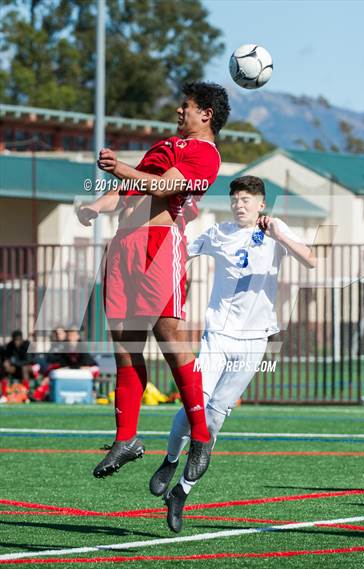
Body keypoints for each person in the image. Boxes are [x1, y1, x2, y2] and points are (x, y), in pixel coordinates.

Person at [77, 82, 230, 482]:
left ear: (206, 115)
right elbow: (131, 187)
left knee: (170, 339)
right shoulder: (165, 146)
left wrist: (120, 167)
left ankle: (200, 436)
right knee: (126, 348)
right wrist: (96, 205)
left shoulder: (204, 154)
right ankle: (125, 439)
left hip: (158, 246)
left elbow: (163, 186)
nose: (179, 112)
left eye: (186, 107)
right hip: (124, 246)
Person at [148, 175, 316, 532]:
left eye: (247, 199)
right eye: (236, 199)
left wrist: (280, 236)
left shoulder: (276, 229)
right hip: (218, 336)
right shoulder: (217, 232)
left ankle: (181, 491)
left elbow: (311, 260)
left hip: (255, 340)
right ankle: (169, 460)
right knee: (193, 403)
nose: (240, 205)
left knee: (215, 418)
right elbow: (181, 255)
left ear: (261, 205)